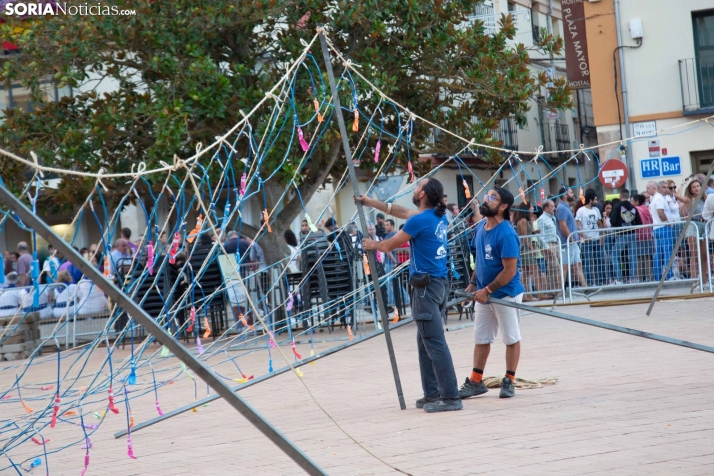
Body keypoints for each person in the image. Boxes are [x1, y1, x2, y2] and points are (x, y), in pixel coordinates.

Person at [358, 178, 462, 413]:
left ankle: (450, 396)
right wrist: (370, 202)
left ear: (423, 194)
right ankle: (432, 393)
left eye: (417, 186)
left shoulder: (420, 220)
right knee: (425, 341)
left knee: (434, 343)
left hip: (425, 288)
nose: (414, 189)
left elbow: (388, 246)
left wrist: (372, 244)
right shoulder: (439, 216)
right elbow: (401, 211)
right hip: (439, 285)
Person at [458, 187, 524, 401]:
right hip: (484, 294)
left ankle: (509, 380)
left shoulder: (506, 233)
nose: (486, 199)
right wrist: (473, 283)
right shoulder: (481, 228)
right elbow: (480, 261)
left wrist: (487, 290)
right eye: (486, 196)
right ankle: (476, 381)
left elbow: (509, 270)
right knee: (481, 337)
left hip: (505, 294)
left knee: (511, 337)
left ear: (503, 206)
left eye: (492, 197)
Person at [513, 202, 548, 301]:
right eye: (531, 207)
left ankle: (527, 294)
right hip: (525, 247)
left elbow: (527, 233)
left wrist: (533, 227)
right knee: (534, 270)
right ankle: (538, 293)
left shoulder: (525, 220)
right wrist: (532, 248)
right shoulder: (523, 220)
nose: (533, 208)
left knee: (527, 272)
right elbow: (524, 236)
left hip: (525, 247)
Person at [556, 188, 587, 289]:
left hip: (572, 242)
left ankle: (585, 288)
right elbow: (563, 226)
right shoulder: (561, 208)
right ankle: (561, 292)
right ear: (565, 195)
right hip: (567, 243)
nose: (573, 195)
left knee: (577, 265)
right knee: (564, 267)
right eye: (571, 193)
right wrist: (571, 238)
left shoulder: (566, 207)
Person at [610, 189, 642, 284]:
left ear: (620, 196)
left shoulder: (617, 206)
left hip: (621, 234)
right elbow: (639, 222)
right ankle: (632, 278)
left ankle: (619, 278)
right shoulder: (633, 207)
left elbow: (612, 221)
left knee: (614, 255)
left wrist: (617, 226)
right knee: (632, 256)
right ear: (628, 196)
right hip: (632, 234)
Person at [650, 181, 677, 281]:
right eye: (664, 187)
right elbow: (660, 213)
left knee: (658, 253)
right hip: (663, 227)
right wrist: (667, 223)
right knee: (667, 252)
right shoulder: (660, 198)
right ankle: (669, 275)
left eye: (667, 187)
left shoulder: (655, 198)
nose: (666, 189)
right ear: (658, 188)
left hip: (657, 227)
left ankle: (658, 276)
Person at [575, 189, 603, 286]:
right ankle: (589, 282)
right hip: (586, 240)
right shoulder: (581, 211)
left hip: (596, 239)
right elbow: (577, 224)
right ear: (590, 200)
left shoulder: (596, 210)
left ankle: (600, 281)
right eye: (595, 199)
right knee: (587, 262)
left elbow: (599, 223)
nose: (596, 201)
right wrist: (584, 236)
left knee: (599, 260)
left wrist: (601, 237)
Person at [683, 178, 708, 282]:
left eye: (698, 186)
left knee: (704, 255)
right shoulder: (689, 200)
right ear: (691, 190)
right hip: (693, 225)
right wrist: (682, 184)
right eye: (694, 187)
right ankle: (694, 280)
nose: (697, 188)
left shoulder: (705, 199)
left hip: (704, 224)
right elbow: (678, 197)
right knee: (694, 254)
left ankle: (704, 280)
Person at [535, 199, 561, 290]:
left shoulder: (553, 217)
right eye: (552, 206)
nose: (554, 208)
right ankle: (554, 289)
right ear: (546, 208)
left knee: (555, 268)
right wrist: (546, 247)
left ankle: (554, 289)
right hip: (549, 244)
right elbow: (540, 236)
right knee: (555, 267)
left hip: (556, 243)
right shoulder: (542, 219)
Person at [632, 194, 654, 282]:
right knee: (647, 257)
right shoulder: (646, 209)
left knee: (639, 258)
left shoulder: (636, 209)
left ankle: (639, 277)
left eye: (632, 201)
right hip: (648, 234)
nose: (631, 203)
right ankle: (649, 276)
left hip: (639, 235)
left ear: (637, 202)